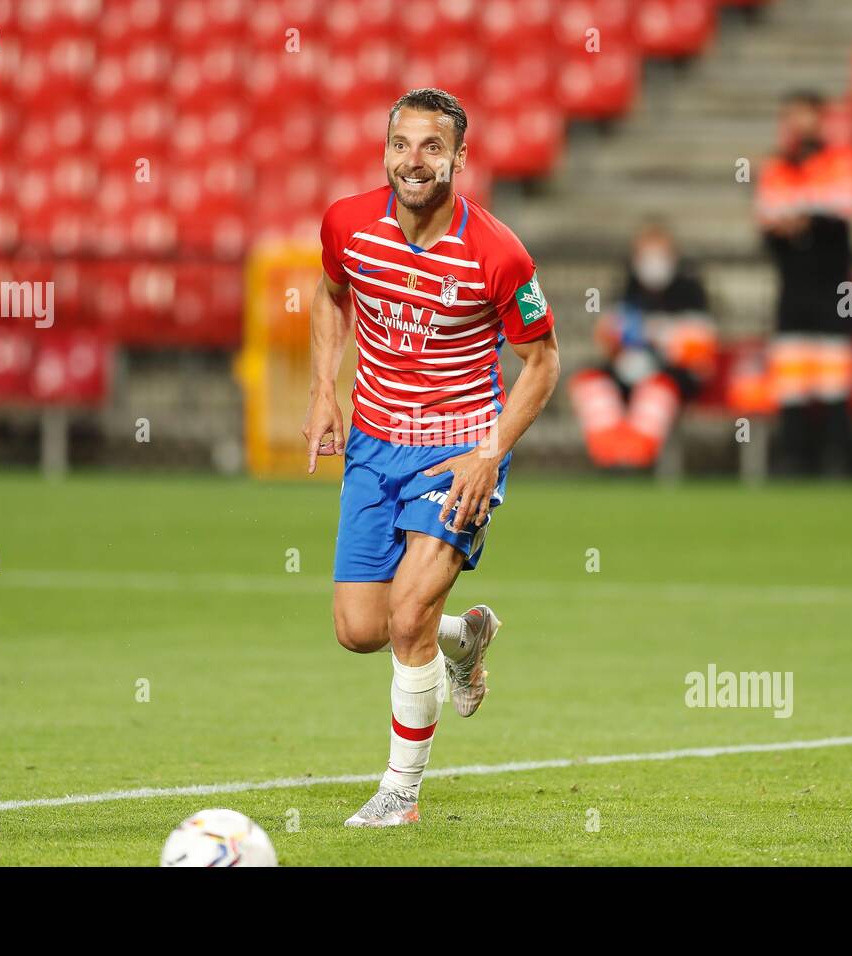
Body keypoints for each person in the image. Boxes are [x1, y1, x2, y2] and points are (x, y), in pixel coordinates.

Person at [303, 88, 560, 827]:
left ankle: (399, 794)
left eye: (431, 147)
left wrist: (491, 451)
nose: (412, 162)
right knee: (361, 628)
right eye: (401, 145)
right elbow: (329, 296)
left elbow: (541, 365)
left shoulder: (498, 253)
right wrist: (326, 388)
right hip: (374, 443)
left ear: (459, 158)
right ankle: (467, 637)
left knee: (409, 612)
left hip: (458, 449)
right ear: (385, 149)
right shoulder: (348, 225)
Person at [756, 89, 852, 476]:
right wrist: (801, 218)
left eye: (804, 116)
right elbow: (769, 224)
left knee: (834, 378)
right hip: (793, 287)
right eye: (791, 117)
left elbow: (843, 212)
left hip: (831, 287)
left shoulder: (841, 161)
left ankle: (838, 461)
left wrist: (802, 219)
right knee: (791, 378)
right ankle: (793, 461)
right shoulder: (777, 167)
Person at [569, 222, 716, 469]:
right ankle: (609, 454)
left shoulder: (690, 288)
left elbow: (699, 345)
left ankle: (636, 459)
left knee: (655, 390)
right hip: (631, 366)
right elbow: (608, 333)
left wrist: (653, 333)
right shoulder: (628, 286)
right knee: (591, 381)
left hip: (674, 371)